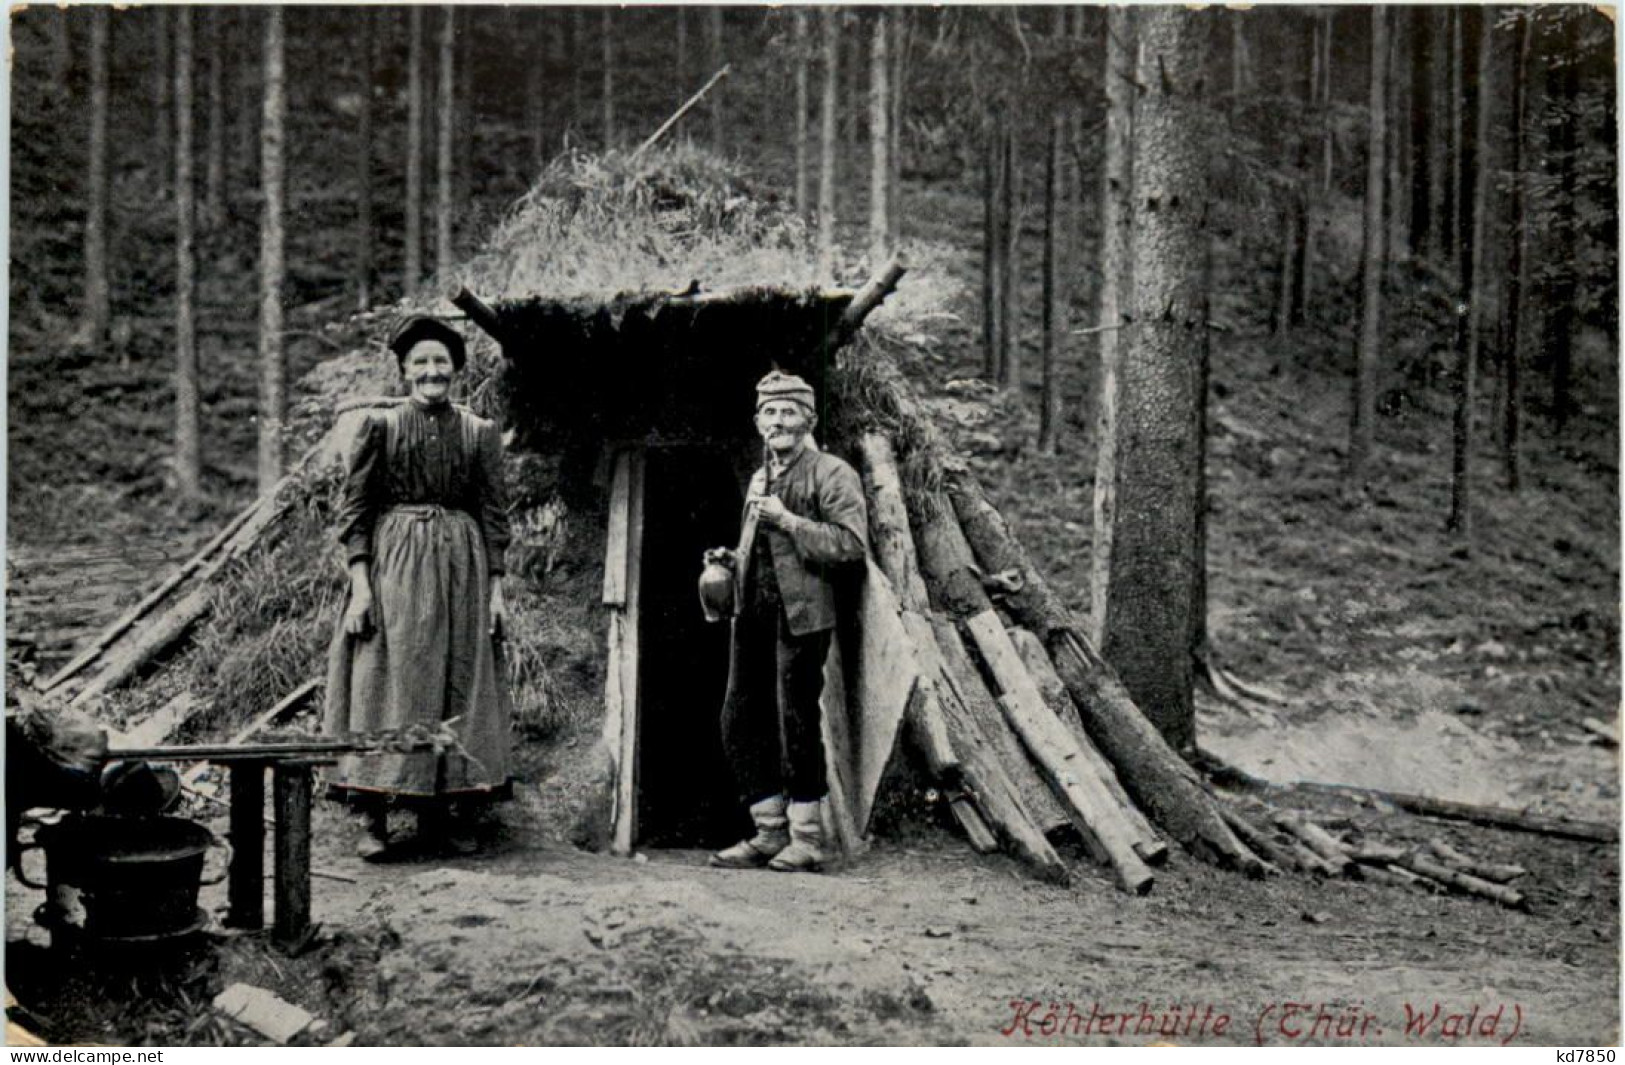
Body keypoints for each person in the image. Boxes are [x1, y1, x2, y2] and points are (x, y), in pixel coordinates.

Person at [324, 315, 513, 859]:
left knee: (457, 681)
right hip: (395, 567)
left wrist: (496, 592)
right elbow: (356, 513)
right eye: (420, 362)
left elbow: (494, 516)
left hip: (463, 571)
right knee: (388, 681)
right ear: (405, 370)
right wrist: (361, 586)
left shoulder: (479, 433)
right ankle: (374, 816)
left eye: (441, 361)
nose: (432, 371)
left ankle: (443, 814)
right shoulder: (379, 428)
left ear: (456, 368)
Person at [707, 371, 868, 873]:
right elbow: (758, 547)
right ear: (758, 423)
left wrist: (790, 521)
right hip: (752, 615)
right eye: (770, 412)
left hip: (803, 617)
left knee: (795, 721)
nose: (778, 421)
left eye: (789, 411)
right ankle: (769, 831)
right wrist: (731, 561)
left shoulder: (832, 473)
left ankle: (807, 838)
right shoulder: (760, 479)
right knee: (738, 719)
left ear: (809, 419)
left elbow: (851, 545)